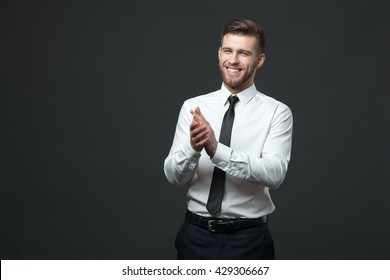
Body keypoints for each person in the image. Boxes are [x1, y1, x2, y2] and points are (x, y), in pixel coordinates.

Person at [164, 19, 293, 260]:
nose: (233, 60)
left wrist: (216, 150)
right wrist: (193, 149)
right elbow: (173, 177)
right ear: (219, 53)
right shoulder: (193, 107)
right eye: (228, 51)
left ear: (260, 60)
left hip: (250, 240)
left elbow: (275, 174)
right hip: (195, 236)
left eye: (243, 53)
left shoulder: (277, 112)